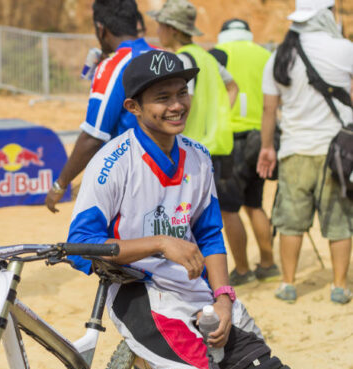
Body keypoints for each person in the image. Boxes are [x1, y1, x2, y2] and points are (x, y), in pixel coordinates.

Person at [67, 49, 296, 369]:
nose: (177, 105)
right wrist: (159, 243)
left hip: (197, 291)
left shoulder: (199, 157)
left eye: (182, 93)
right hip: (139, 292)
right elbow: (79, 245)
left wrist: (224, 298)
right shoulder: (112, 162)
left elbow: (209, 235)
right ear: (133, 107)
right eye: (162, 98)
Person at [257, 0, 353, 304]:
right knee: (339, 221)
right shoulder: (344, 50)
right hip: (337, 152)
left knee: (290, 222)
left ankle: (288, 283)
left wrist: (267, 147)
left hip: (294, 151)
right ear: (325, 14)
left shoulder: (279, 56)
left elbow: (269, 109)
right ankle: (339, 286)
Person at [45, 0, 155, 213]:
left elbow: (93, 137)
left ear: (101, 28)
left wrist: (60, 184)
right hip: (168, 172)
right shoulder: (163, 55)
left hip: (129, 181)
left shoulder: (114, 65)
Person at [208, 19, 279, 286]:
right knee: (254, 203)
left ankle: (242, 269)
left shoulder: (217, 54)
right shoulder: (264, 54)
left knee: (229, 209)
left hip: (231, 140)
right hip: (262, 137)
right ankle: (268, 264)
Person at [147, 0, 238, 181]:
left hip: (191, 151)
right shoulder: (207, 57)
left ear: (173, 29)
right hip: (213, 147)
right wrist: (218, 119)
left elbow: (180, 105)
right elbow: (232, 87)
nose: (157, 31)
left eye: (160, 26)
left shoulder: (182, 59)